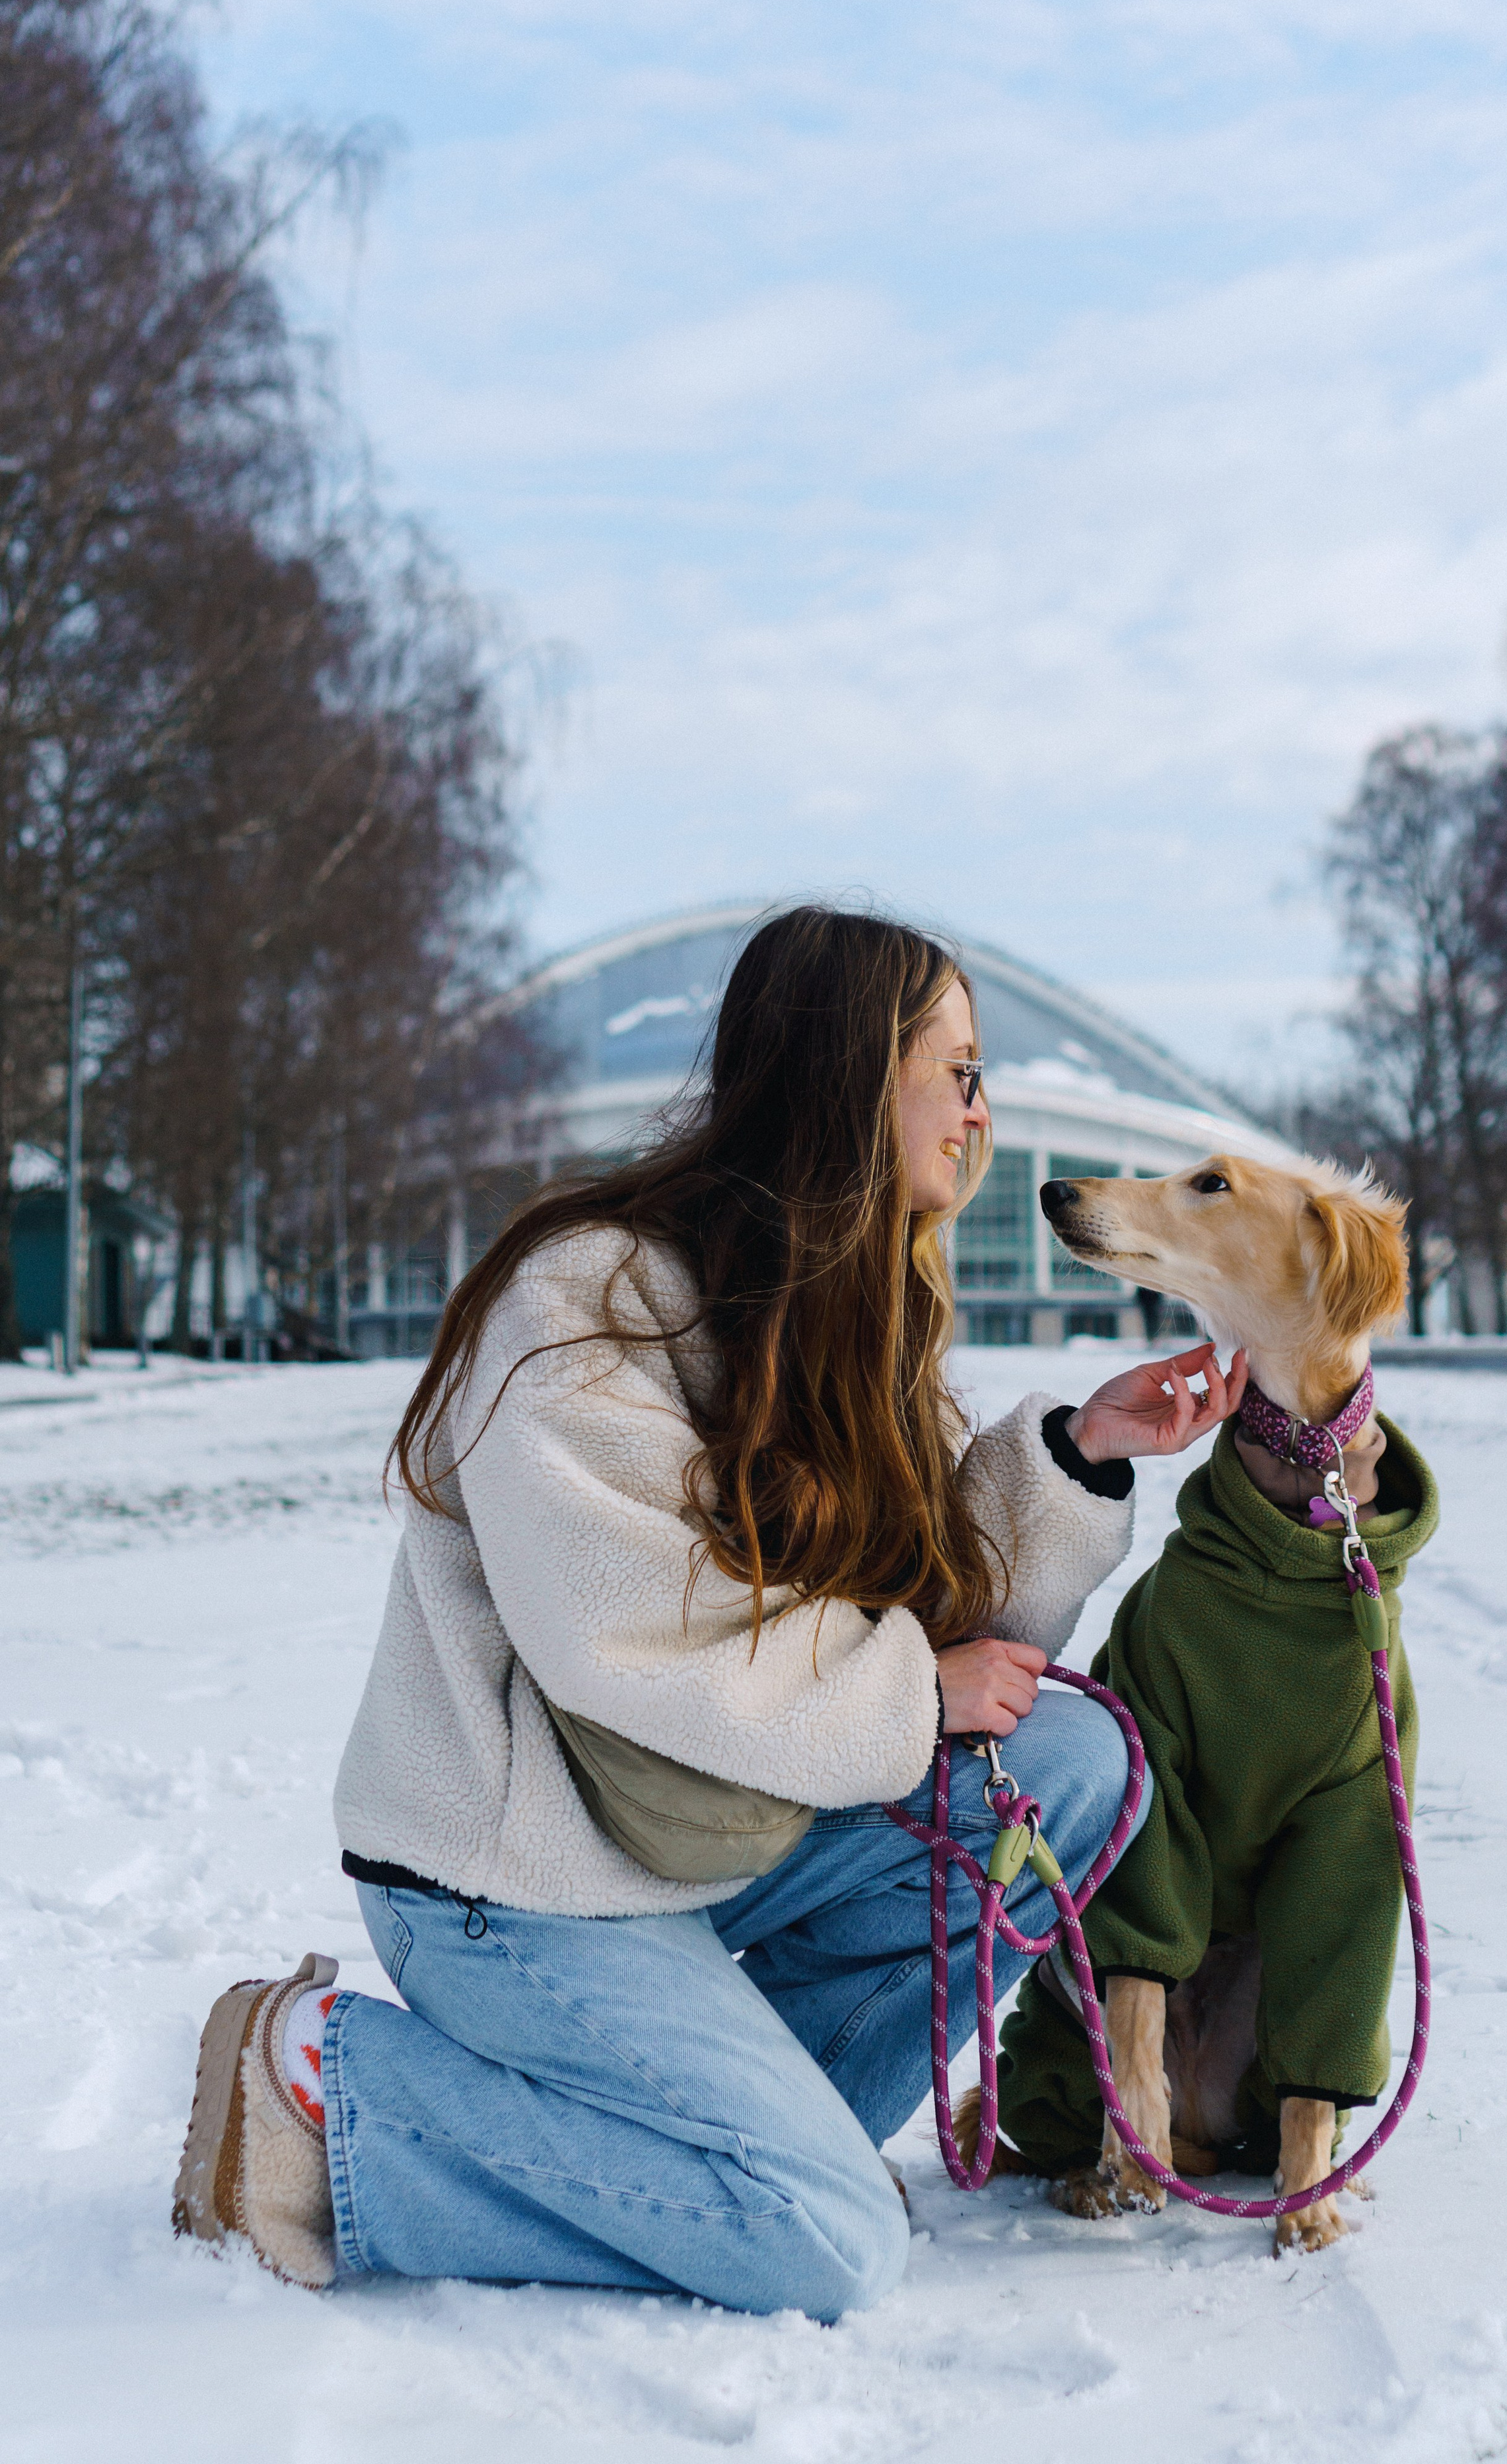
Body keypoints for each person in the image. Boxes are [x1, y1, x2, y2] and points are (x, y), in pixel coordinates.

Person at [172, 907, 1245, 2318]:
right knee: (826, 2238)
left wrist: (1080, 1452)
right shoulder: (588, 1303)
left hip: (711, 1826)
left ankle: (728, 2138)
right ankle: (330, 2090)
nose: (979, 1114)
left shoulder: (849, 1317)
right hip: (518, 1883)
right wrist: (915, 1694)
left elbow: (912, 1610)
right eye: (960, 1072)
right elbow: (636, 1632)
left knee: (1067, 1764)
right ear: (853, 1077)